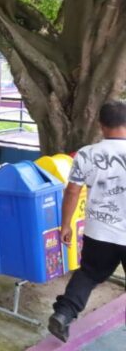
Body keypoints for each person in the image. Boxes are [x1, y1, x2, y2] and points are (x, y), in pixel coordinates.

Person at [48, 100, 126, 342]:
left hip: (98, 231)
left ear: (101, 125)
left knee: (90, 273)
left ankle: (63, 314)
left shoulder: (86, 154)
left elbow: (72, 192)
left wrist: (65, 225)